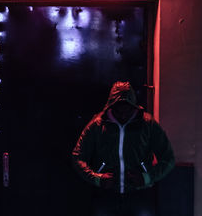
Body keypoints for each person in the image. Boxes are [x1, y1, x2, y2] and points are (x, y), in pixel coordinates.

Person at [72, 81, 175, 216]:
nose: (123, 114)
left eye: (127, 108)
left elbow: (168, 159)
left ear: (133, 107)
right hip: (106, 195)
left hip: (139, 193)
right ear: (111, 106)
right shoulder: (97, 125)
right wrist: (97, 178)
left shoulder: (147, 124)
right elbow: (77, 156)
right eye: (118, 108)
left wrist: (147, 178)